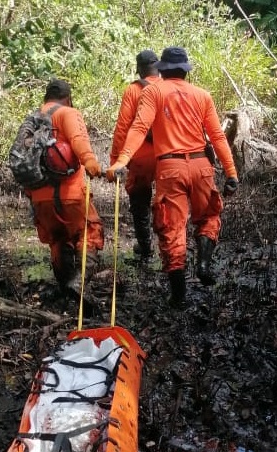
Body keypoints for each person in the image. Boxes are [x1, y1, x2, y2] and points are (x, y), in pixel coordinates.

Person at [105, 46, 239, 309]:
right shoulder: (202, 95)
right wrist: (231, 172)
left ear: (163, 70)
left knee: (172, 229)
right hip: (201, 165)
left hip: (170, 168)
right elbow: (218, 136)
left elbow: (138, 127)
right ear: (185, 71)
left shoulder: (153, 91)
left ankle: (178, 295)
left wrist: (121, 161)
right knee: (209, 216)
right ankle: (202, 262)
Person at [27, 78, 104, 296]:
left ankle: (66, 290)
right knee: (89, 233)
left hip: (40, 196)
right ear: (67, 98)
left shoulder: (32, 118)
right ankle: (79, 283)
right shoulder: (68, 113)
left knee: (57, 240)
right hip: (71, 194)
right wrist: (91, 163)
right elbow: (78, 139)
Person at [109, 50, 162, 261]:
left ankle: (146, 249)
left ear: (139, 69)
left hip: (140, 156)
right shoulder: (167, 86)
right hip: (167, 155)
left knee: (140, 200)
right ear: (157, 67)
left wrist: (115, 162)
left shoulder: (133, 90)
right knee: (167, 201)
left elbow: (123, 127)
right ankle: (169, 246)